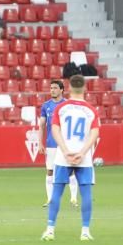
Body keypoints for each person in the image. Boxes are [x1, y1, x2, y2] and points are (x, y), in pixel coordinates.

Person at [42, 75, 100, 242]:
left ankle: (50, 230)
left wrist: (66, 150)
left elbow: (54, 130)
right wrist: (82, 152)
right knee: (86, 192)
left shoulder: (62, 108)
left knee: (57, 192)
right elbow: (95, 133)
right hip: (84, 157)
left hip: (63, 155)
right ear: (85, 88)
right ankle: (85, 231)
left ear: (68, 88)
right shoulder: (91, 110)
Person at [39, 79, 78, 208]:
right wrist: (40, 143)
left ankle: (73, 198)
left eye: (55, 88)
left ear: (61, 90)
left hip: (65, 144)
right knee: (50, 171)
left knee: (71, 171)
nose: (52, 90)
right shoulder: (46, 106)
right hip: (51, 144)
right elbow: (42, 125)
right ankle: (50, 199)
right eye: (51, 88)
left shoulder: (68, 105)